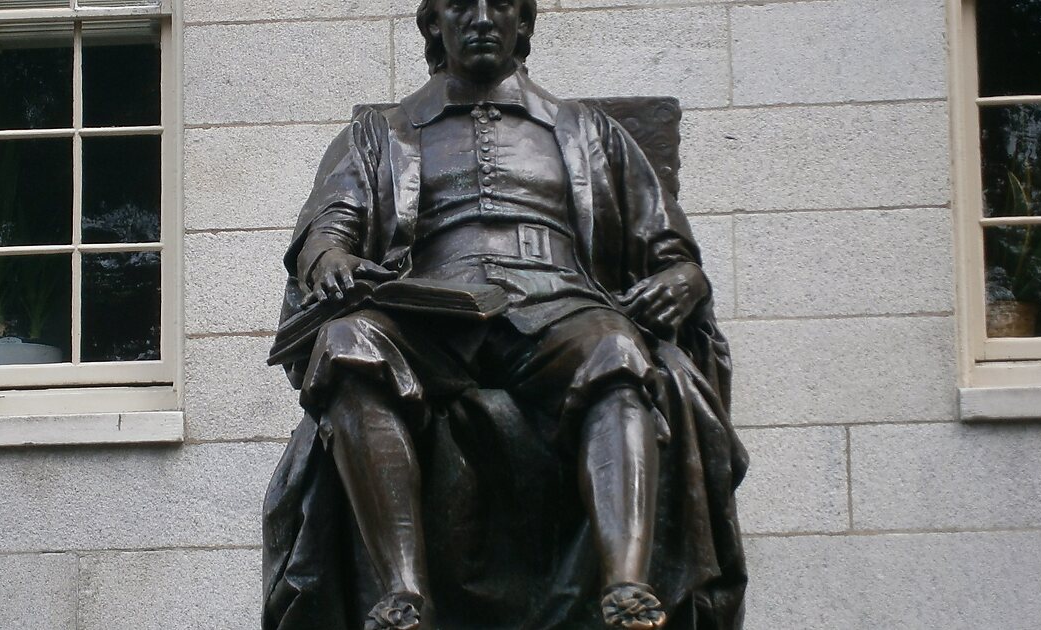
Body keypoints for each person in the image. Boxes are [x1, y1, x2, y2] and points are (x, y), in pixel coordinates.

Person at [262, 1, 748, 628]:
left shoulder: (587, 132)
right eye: (463, 5)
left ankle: (626, 587)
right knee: (348, 340)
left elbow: (669, 249)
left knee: (617, 350)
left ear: (526, 23)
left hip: (558, 307)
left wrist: (685, 278)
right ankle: (404, 595)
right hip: (429, 317)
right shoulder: (382, 134)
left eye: (503, 4)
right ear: (434, 25)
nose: (483, 18)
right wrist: (326, 258)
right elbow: (332, 225)